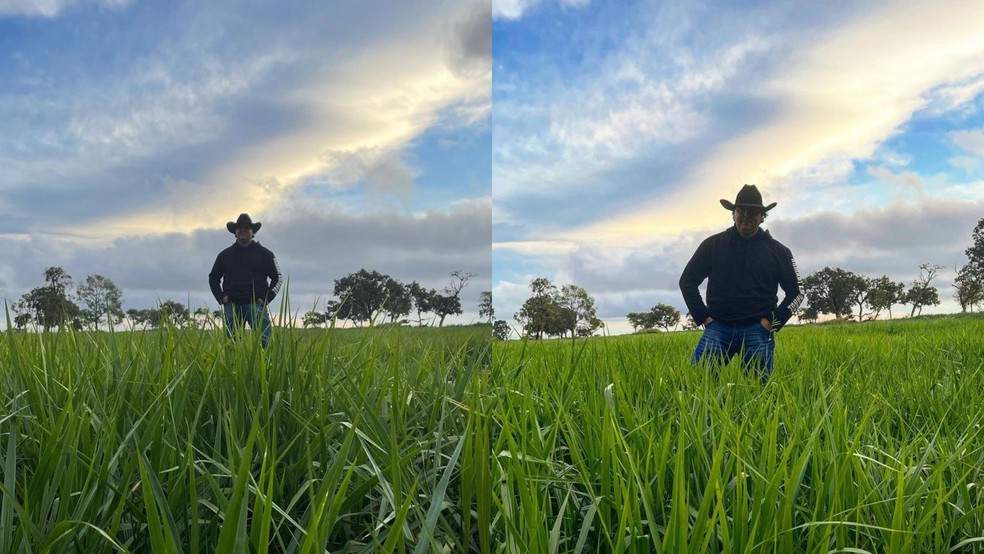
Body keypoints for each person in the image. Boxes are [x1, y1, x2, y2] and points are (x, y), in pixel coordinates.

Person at [679, 185, 804, 383]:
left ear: (762, 216)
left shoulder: (779, 251)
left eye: (753, 211)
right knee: (697, 386)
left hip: (758, 329)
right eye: (741, 210)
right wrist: (703, 317)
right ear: (733, 213)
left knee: (757, 394)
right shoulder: (712, 245)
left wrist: (773, 322)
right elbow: (687, 281)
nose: (746, 216)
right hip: (718, 327)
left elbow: (797, 292)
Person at [209, 213, 282, 347]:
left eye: (247, 228)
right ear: (235, 233)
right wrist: (221, 297)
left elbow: (278, 278)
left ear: (252, 232)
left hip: (256, 305)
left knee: (265, 342)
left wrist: (267, 298)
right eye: (240, 228)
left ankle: (267, 366)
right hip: (232, 305)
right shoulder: (224, 255)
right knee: (232, 344)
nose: (243, 231)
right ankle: (233, 368)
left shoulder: (266, 254)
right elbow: (213, 278)